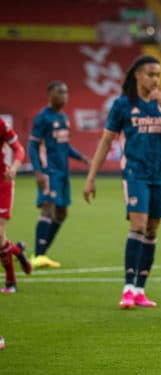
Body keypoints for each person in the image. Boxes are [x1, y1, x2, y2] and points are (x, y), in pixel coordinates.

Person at [83, 55, 161, 309]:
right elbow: (106, 142)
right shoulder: (122, 105)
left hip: (160, 176)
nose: (155, 79)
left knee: (152, 230)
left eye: (158, 74)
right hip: (135, 174)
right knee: (138, 225)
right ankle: (127, 289)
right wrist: (91, 177)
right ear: (138, 75)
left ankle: (140, 290)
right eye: (150, 74)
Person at [28, 81, 89, 269]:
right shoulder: (42, 118)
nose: (64, 96)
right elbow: (33, 145)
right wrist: (38, 171)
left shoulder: (63, 117)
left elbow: (64, 145)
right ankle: (37, 255)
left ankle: (43, 253)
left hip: (63, 173)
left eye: (66, 92)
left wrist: (82, 158)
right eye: (60, 92)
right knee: (47, 208)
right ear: (50, 94)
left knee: (61, 213)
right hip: (49, 171)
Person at [0, 117, 32, 293]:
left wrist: (14, 168)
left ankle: (10, 282)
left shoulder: (1, 124)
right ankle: (18, 251)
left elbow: (19, 149)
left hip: (2, 183)